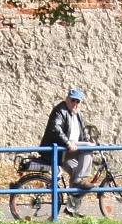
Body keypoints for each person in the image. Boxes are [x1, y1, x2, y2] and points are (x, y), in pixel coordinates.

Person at [40, 87, 95, 217]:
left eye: (78, 101)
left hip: (72, 150)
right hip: (61, 149)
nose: (75, 104)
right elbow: (56, 128)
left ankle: (71, 210)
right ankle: (78, 180)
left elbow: (83, 135)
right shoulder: (60, 110)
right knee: (88, 148)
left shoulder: (79, 114)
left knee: (80, 176)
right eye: (73, 100)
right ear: (67, 99)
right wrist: (68, 143)